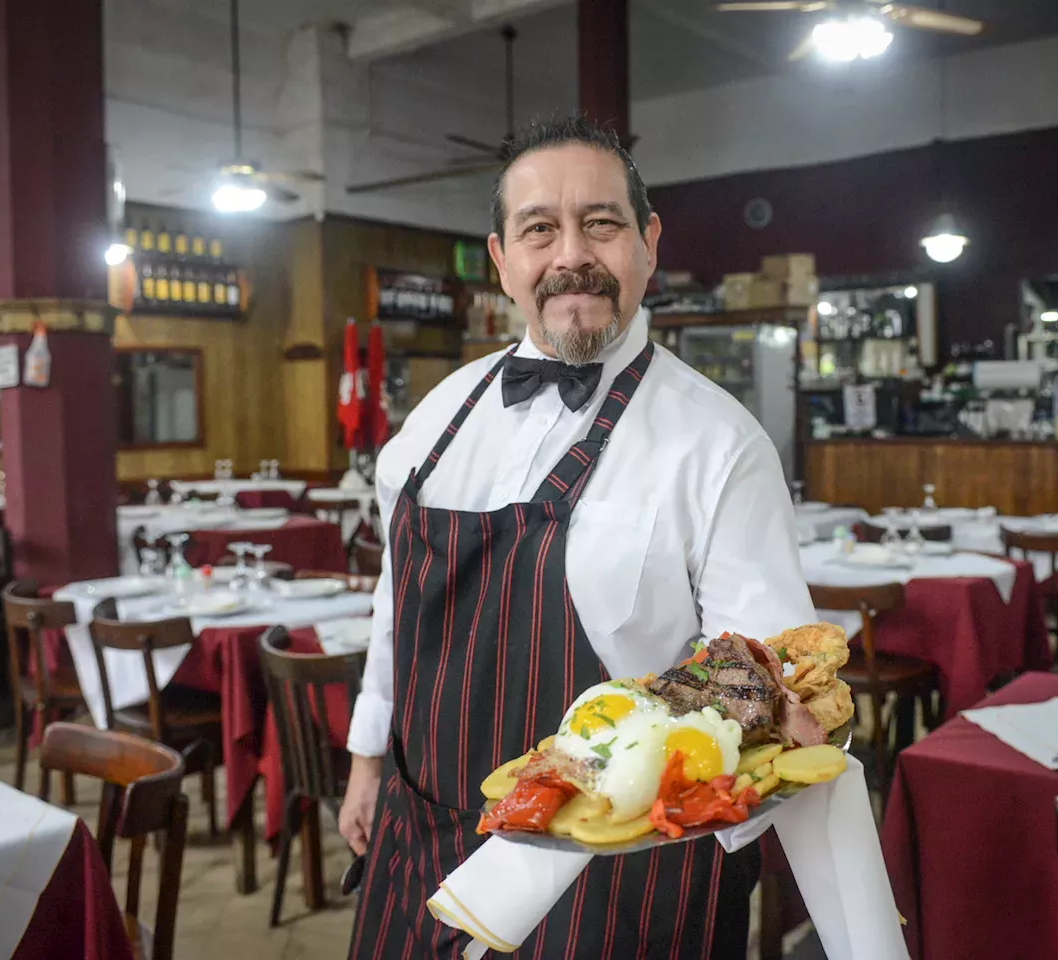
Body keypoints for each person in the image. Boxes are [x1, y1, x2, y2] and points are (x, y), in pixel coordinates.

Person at [339, 116, 816, 959]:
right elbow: (394, 608)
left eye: (601, 223)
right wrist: (367, 759)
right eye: (539, 230)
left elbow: (764, 668)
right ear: (501, 260)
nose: (572, 255)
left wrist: (778, 708)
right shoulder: (435, 419)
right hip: (427, 843)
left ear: (647, 242)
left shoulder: (720, 444)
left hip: (622, 872)